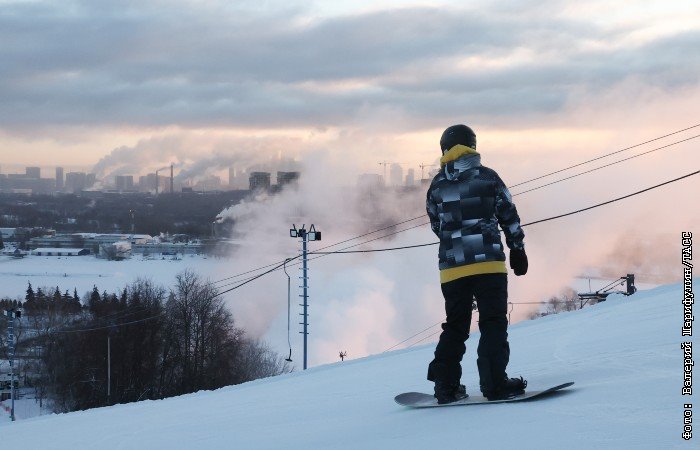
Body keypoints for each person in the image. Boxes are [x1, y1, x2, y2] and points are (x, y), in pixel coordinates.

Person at [426, 124, 529, 404]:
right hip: (488, 265)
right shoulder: (488, 177)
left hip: (451, 267)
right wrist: (517, 248)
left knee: (456, 325)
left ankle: (446, 386)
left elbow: (436, 224)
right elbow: (508, 214)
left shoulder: (437, 185)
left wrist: (455, 243)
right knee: (493, 322)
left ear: (444, 149)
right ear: (472, 146)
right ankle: (495, 384)